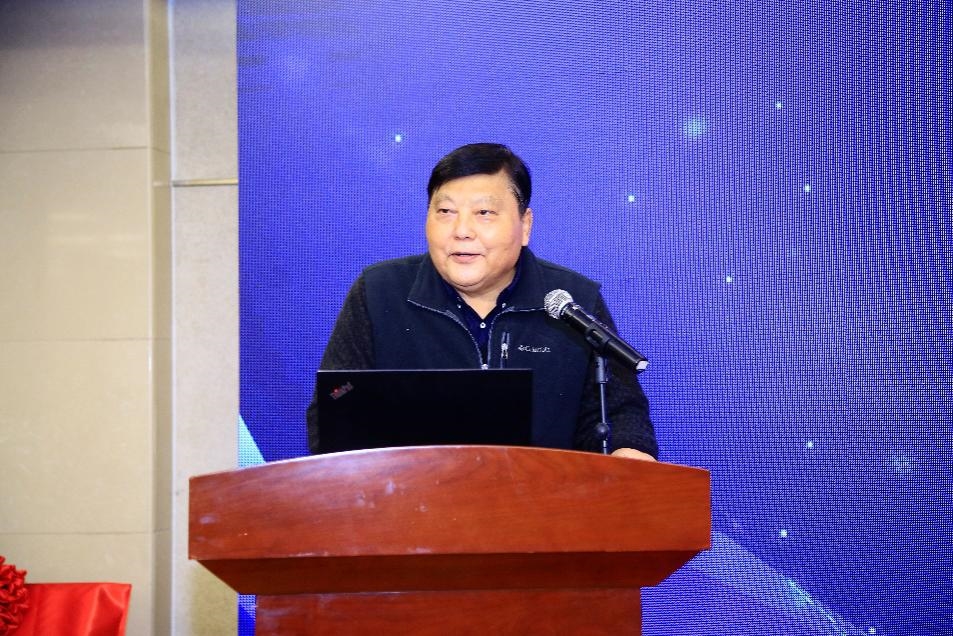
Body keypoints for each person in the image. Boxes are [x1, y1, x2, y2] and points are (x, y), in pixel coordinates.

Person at [307, 143, 658, 461]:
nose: (462, 230)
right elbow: (334, 407)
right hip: (410, 504)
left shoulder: (572, 301)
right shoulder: (379, 293)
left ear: (524, 225)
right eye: (445, 211)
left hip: (544, 505)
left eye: (484, 213)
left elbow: (620, 413)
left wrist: (629, 453)